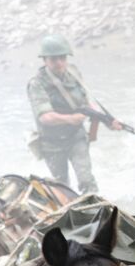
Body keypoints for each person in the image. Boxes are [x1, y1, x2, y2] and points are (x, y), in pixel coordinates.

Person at [26, 36, 123, 194]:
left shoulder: (73, 72)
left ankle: (94, 210)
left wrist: (108, 120)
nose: (59, 63)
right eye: (53, 59)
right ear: (44, 60)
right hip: (52, 144)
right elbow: (45, 117)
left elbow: (87, 102)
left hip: (76, 137)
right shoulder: (37, 84)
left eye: (62, 58)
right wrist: (71, 119)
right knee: (62, 187)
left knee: (86, 180)